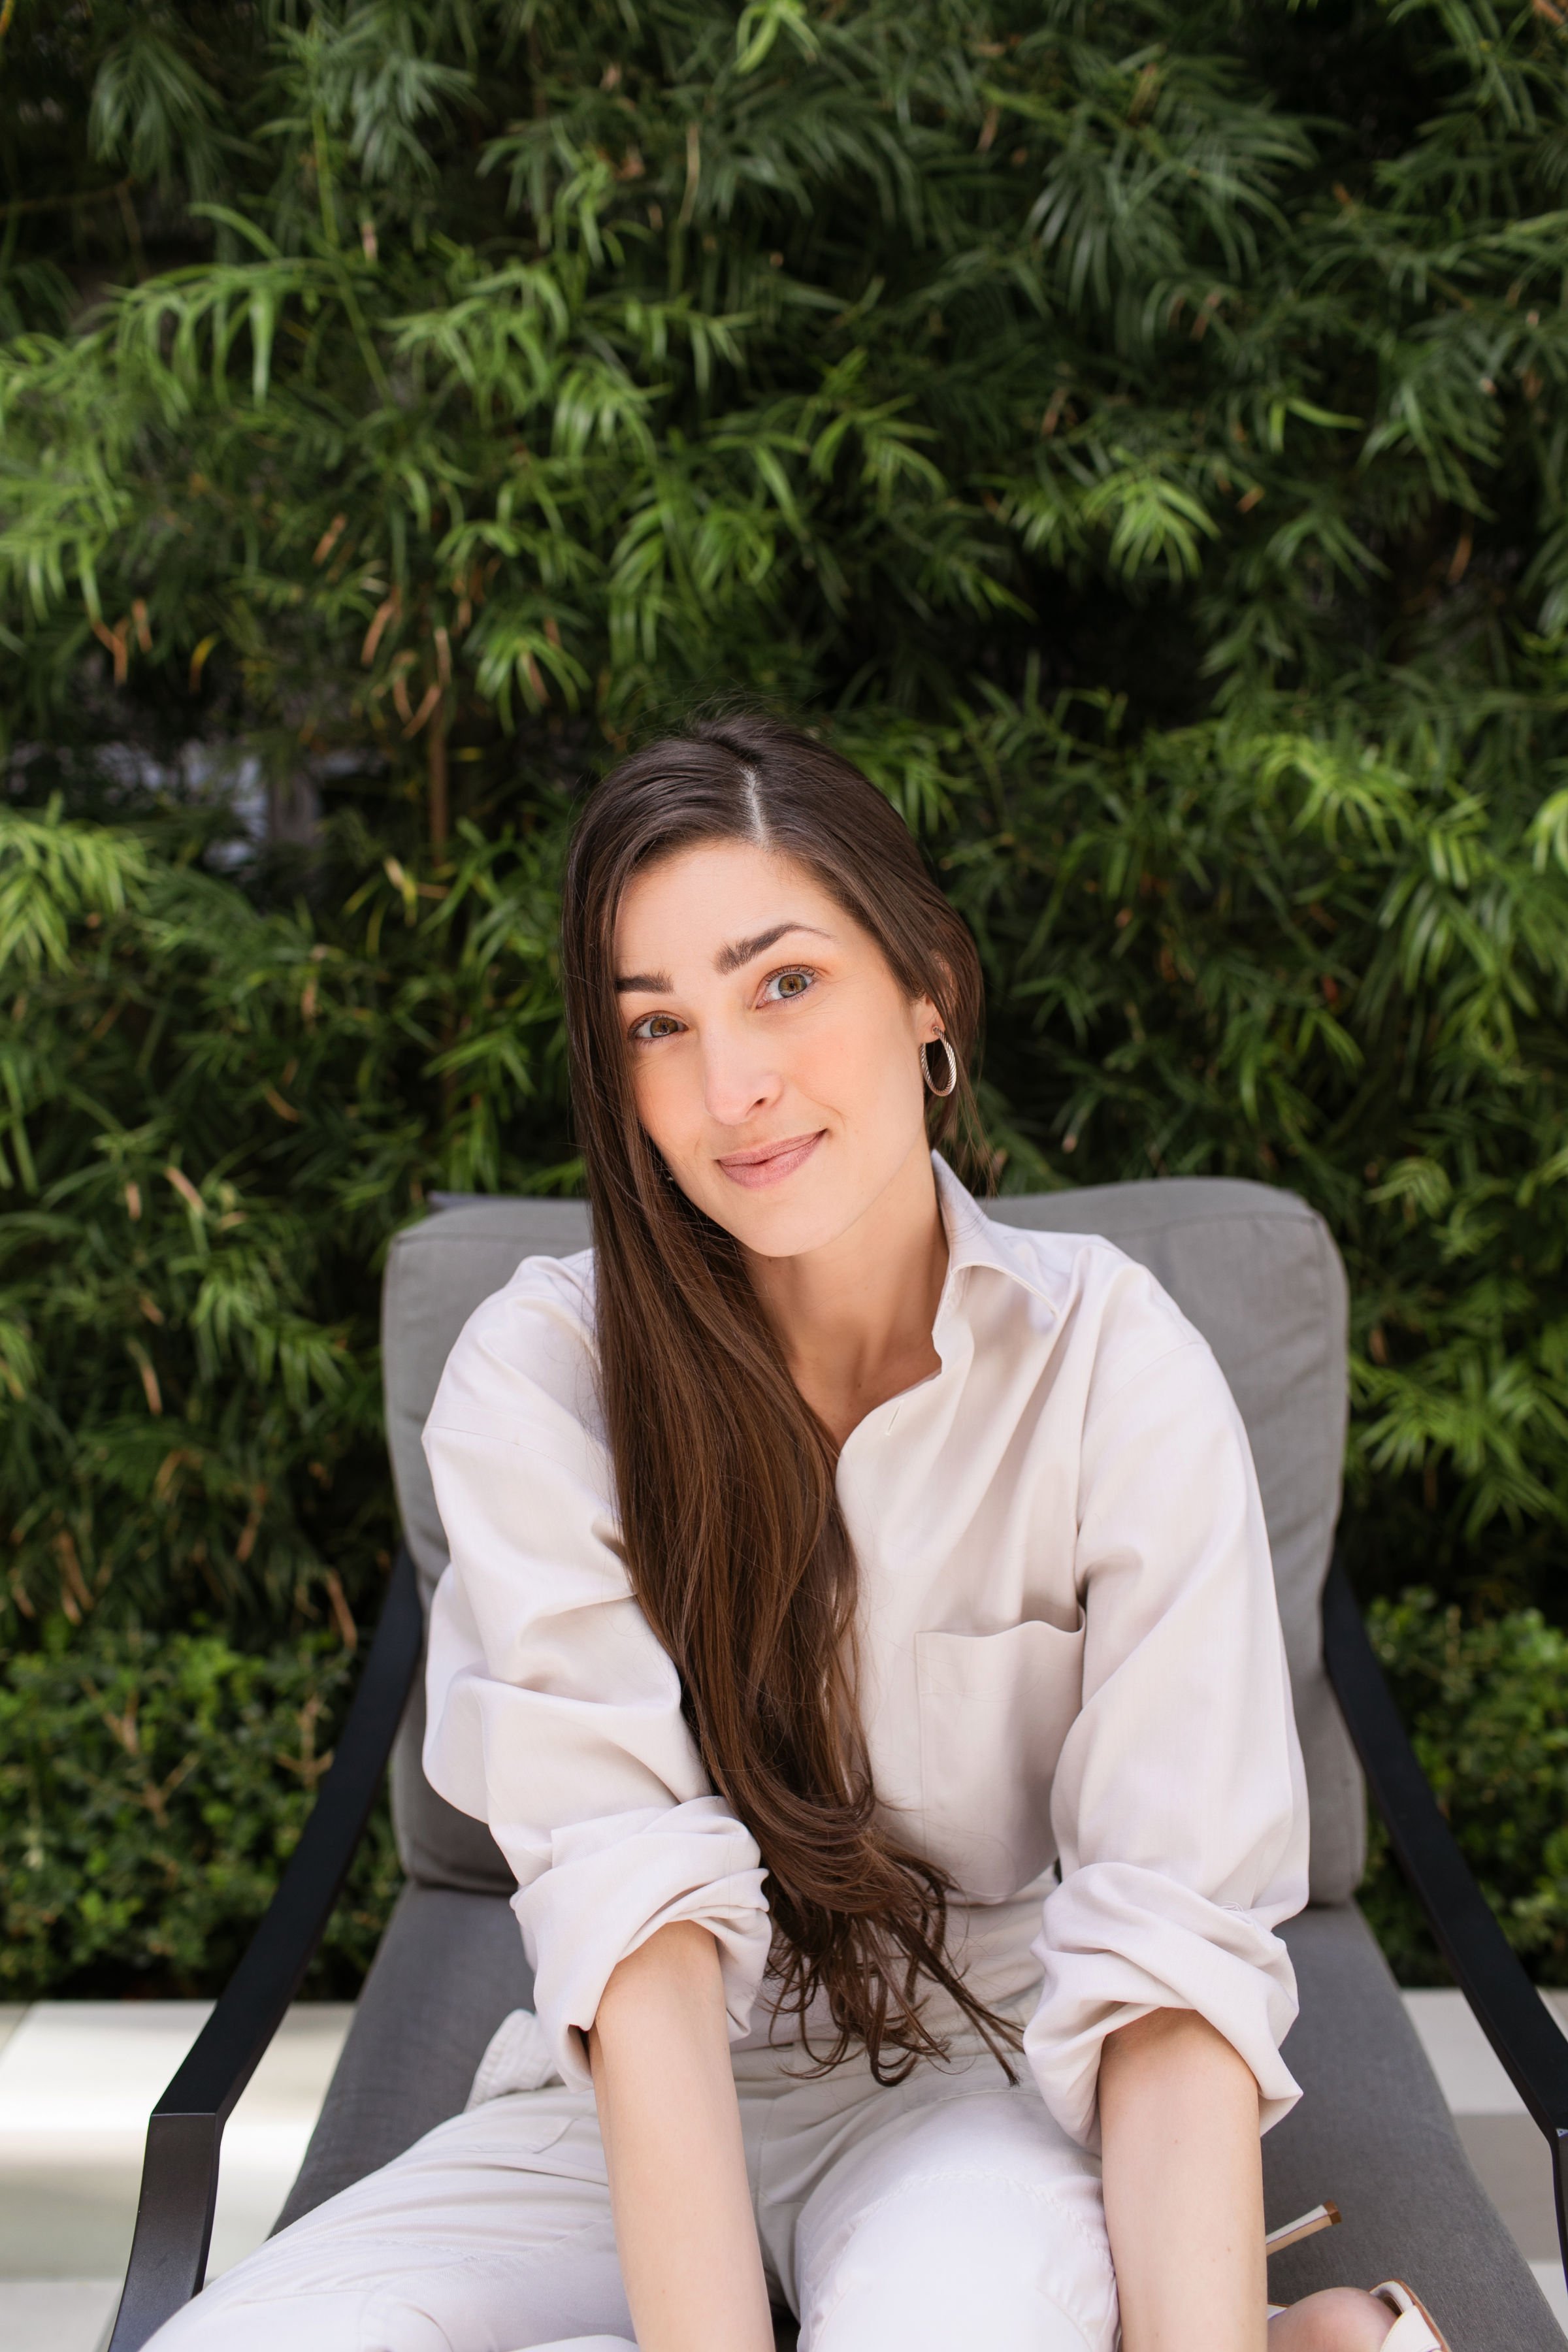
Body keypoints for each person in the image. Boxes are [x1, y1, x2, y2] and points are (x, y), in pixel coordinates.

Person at [148, 716, 1450, 2352]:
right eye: (656, 1025)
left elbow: (1170, 1943)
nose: (730, 1088)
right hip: (634, 2095)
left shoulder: (1113, 1363)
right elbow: (633, 1931)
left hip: (978, 2084)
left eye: (783, 984)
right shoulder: (545, 1379)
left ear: (926, 989)